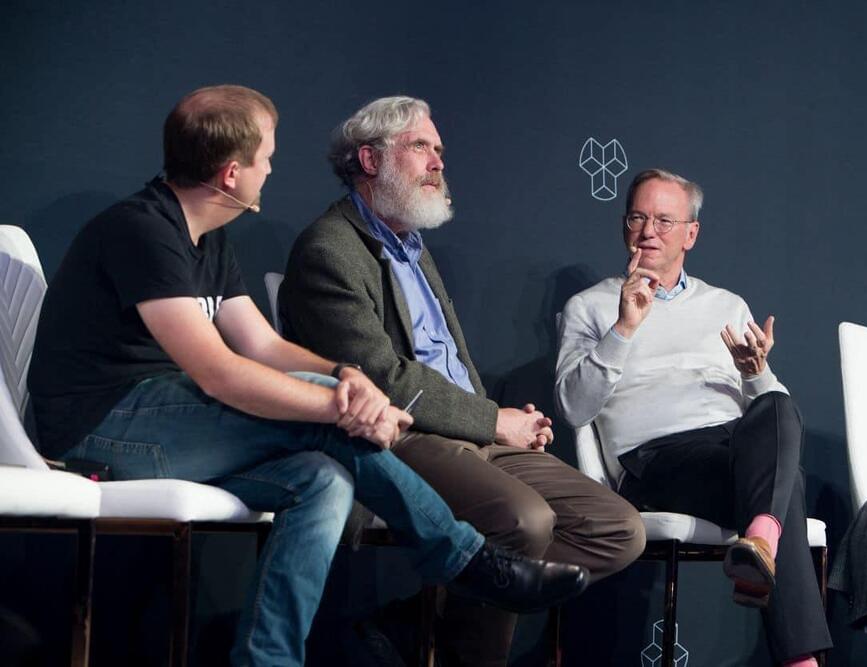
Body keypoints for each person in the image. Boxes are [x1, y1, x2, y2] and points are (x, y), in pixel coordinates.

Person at [26, 85, 588, 667]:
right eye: (266, 157)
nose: (271, 170)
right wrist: (341, 406)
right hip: (102, 430)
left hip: (170, 426)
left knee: (322, 479)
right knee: (326, 414)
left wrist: (347, 377)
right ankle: (462, 559)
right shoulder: (142, 229)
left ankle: (268, 660)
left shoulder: (209, 239)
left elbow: (263, 345)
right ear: (231, 173)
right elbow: (217, 372)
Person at [278, 95, 645, 666]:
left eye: (439, 150)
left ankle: (415, 620)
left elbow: (448, 360)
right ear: (370, 160)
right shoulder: (329, 250)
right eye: (421, 147)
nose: (438, 162)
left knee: (618, 528)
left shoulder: (414, 248)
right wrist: (492, 419)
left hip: (468, 432)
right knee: (524, 522)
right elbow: (379, 377)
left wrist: (498, 425)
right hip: (395, 435)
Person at [554, 169, 832, 666]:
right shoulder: (591, 307)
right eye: (637, 218)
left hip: (730, 449)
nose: (648, 231)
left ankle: (760, 544)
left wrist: (755, 374)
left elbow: (772, 416)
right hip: (654, 460)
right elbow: (574, 407)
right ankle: (777, 589)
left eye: (664, 220)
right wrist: (623, 328)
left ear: (691, 234)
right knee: (788, 482)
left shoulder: (726, 305)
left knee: (776, 403)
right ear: (623, 226)